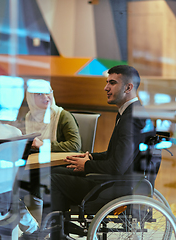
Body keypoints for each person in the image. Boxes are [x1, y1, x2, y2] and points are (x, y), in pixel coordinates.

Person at [49, 65, 156, 238]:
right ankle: (61, 228)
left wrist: (88, 166)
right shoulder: (131, 113)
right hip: (121, 182)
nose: (106, 88)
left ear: (128, 87)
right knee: (58, 170)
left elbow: (117, 167)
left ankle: (59, 232)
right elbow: (117, 155)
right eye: (107, 82)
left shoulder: (130, 120)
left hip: (116, 188)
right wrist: (90, 157)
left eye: (112, 83)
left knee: (53, 178)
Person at [25, 79, 81, 153]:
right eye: (39, 94)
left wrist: (43, 145)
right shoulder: (29, 117)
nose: (45, 97)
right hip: (36, 159)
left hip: (61, 161)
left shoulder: (62, 115)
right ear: (31, 98)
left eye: (48, 92)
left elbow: (75, 145)